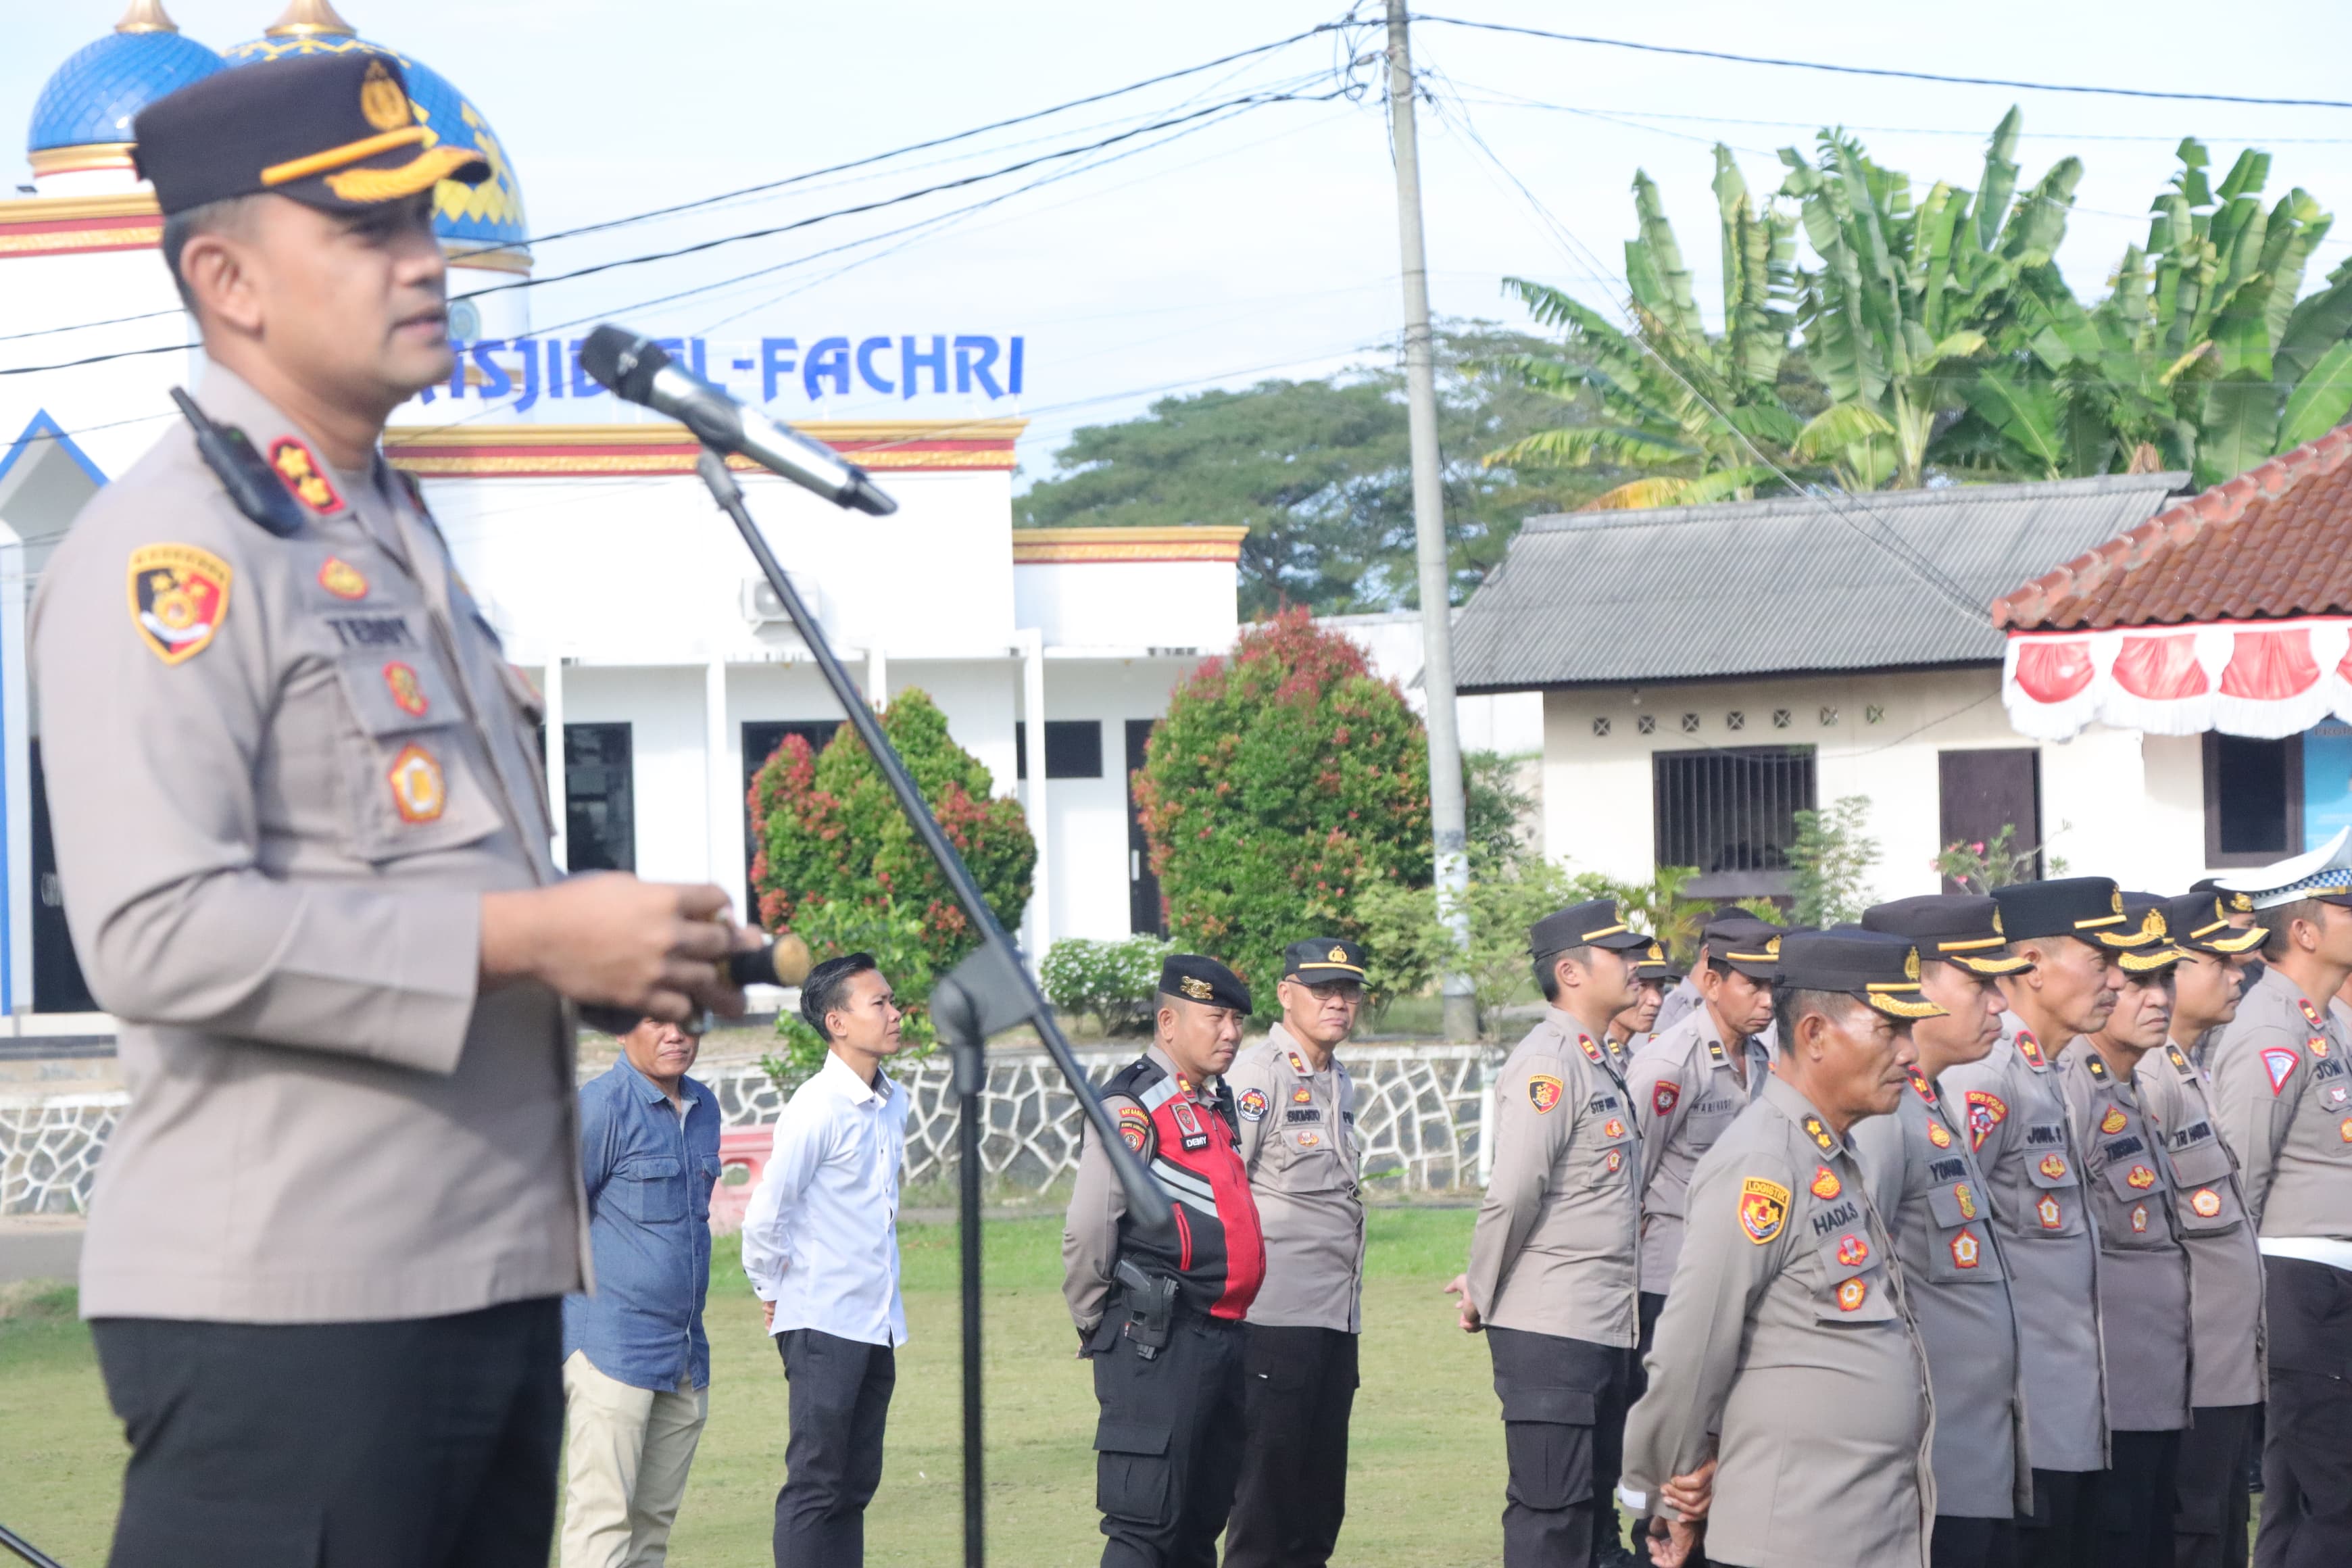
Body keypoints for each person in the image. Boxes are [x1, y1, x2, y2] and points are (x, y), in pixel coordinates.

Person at [37, 55, 752, 1568]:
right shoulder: (173, 546)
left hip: (484, 1280)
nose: (426, 259)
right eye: (367, 232)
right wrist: (527, 935)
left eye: (426, 219)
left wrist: (633, 949)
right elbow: (154, 931)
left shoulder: (380, 523)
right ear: (225, 277)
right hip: (296, 1302)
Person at [1619, 929, 1940, 1568]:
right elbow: (1693, 1347)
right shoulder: (1763, 1162)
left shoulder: (1830, 1151)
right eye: (1890, 1030)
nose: (1910, 1053)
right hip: (1795, 1534)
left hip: (1861, 1525)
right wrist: (1669, 1495)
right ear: (1816, 1033)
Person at [1445, 899, 1652, 1568]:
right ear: (1570, 970)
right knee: (1550, 1516)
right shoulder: (1549, 1061)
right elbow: (1513, 1192)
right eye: (1619, 955)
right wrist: (1481, 1286)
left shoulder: (1599, 1057)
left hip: (1599, 1323)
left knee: (1591, 1518)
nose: (1634, 966)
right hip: (1554, 1331)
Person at [1940, 877, 2135, 1568]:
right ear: (2031, 963)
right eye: (2098, 960)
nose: (2115, 981)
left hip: (2066, 1412)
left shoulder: (2045, 1071)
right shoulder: (1984, 1076)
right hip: (2015, 1424)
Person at [1064, 954, 1265, 1568]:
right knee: (1144, 1528)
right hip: (1157, 1340)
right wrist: (1097, 1322)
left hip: (1220, 1338)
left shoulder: (1212, 1099)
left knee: (1197, 1524)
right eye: (1216, 1017)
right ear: (1170, 1022)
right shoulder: (1133, 1103)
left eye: (1236, 1019)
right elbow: (1088, 1227)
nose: (1231, 1032)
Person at [1855, 896, 2034, 1568]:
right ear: (1914, 983)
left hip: (1972, 1462)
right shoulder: (1881, 1118)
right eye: (1980, 983)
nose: (2000, 1004)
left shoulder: (1931, 1100)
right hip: (1926, 1474)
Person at [2207, 829, 2352, 1566]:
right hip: (2298, 1285)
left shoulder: (2318, 1021)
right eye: (2348, 905)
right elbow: (2240, 1177)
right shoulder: (2270, 1024)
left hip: (2325, 1285)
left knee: (2301, 1500)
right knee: (2339, 1503)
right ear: (2303, 929)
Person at [742, 954, 913, 1568]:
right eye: (880, 1004)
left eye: (894, 1001)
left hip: (877, 1320)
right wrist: (771, 1288)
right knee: (817, 1485)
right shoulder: (816, 1108)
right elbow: (768, 1213)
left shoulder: (893, 1102)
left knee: (854, 1485)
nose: (896, 1014)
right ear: (837, 1022)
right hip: (822, 1321)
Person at [1221, 938, 1369, 1568]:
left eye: (1348, 991)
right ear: (1286, 995)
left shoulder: (1337, 1079)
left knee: (1318, 1505)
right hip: (1274, 1320)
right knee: (1264, 1504)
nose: (1338, 1003)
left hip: (1335, 1318)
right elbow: (1224, 1191)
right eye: (1322, 990)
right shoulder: (1258, 1078)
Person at [2057, 898, 2192, 1568]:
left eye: (2165, 980)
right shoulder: (2074, 1089)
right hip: (2110, 1397)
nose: (2156, 997)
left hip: (2155, 1384)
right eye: (2138, 981)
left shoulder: (2129, 1085)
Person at [562, 1019, 724, 1568]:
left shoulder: (704, 1107)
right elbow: (551, 1215)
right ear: (619, 1029)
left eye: (689, 1021)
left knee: (652, 1527)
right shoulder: (601, 1107)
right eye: (658, 1021)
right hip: (611, 1348)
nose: (677, 1034)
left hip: (683, 1351)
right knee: (602, 1519)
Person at [2138, 892, 2267, 1568]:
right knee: (2190, 1533)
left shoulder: (2186, 1066)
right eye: (2220, 960)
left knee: (2220, 1530)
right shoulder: (2147, 1080)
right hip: (2184, 1369)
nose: (2239, 973)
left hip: (2222, 1361)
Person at [1606, 943, 1673, 1074]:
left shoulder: (1628, 1058)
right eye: (1642, 985)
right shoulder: (1589, 1056)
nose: (1657, 1001)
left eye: (1660, 986)